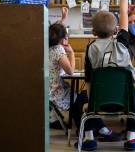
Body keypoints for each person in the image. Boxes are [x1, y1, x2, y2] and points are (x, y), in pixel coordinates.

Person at [78, 0, 135, 151]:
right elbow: (123, 11)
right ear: (116, 30)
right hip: (126, 103)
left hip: (99, 103)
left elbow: (89, 81)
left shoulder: (90, 48)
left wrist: (92, 102)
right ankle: (131, 139)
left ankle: (89, 139)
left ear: (93, 31)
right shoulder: (122, 41)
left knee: (84, 98)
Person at [49, 8, 119, 141]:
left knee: (80, 98)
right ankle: (100, 129)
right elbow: (70, 71)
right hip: (58, 94)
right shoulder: (59, 51)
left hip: (52, 91)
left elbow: (57, 30)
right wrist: (72, 53)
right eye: (66, 36)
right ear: (62, 38)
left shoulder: (50, 47)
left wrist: (63, 18)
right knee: (83, 98)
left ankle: (88, 131)